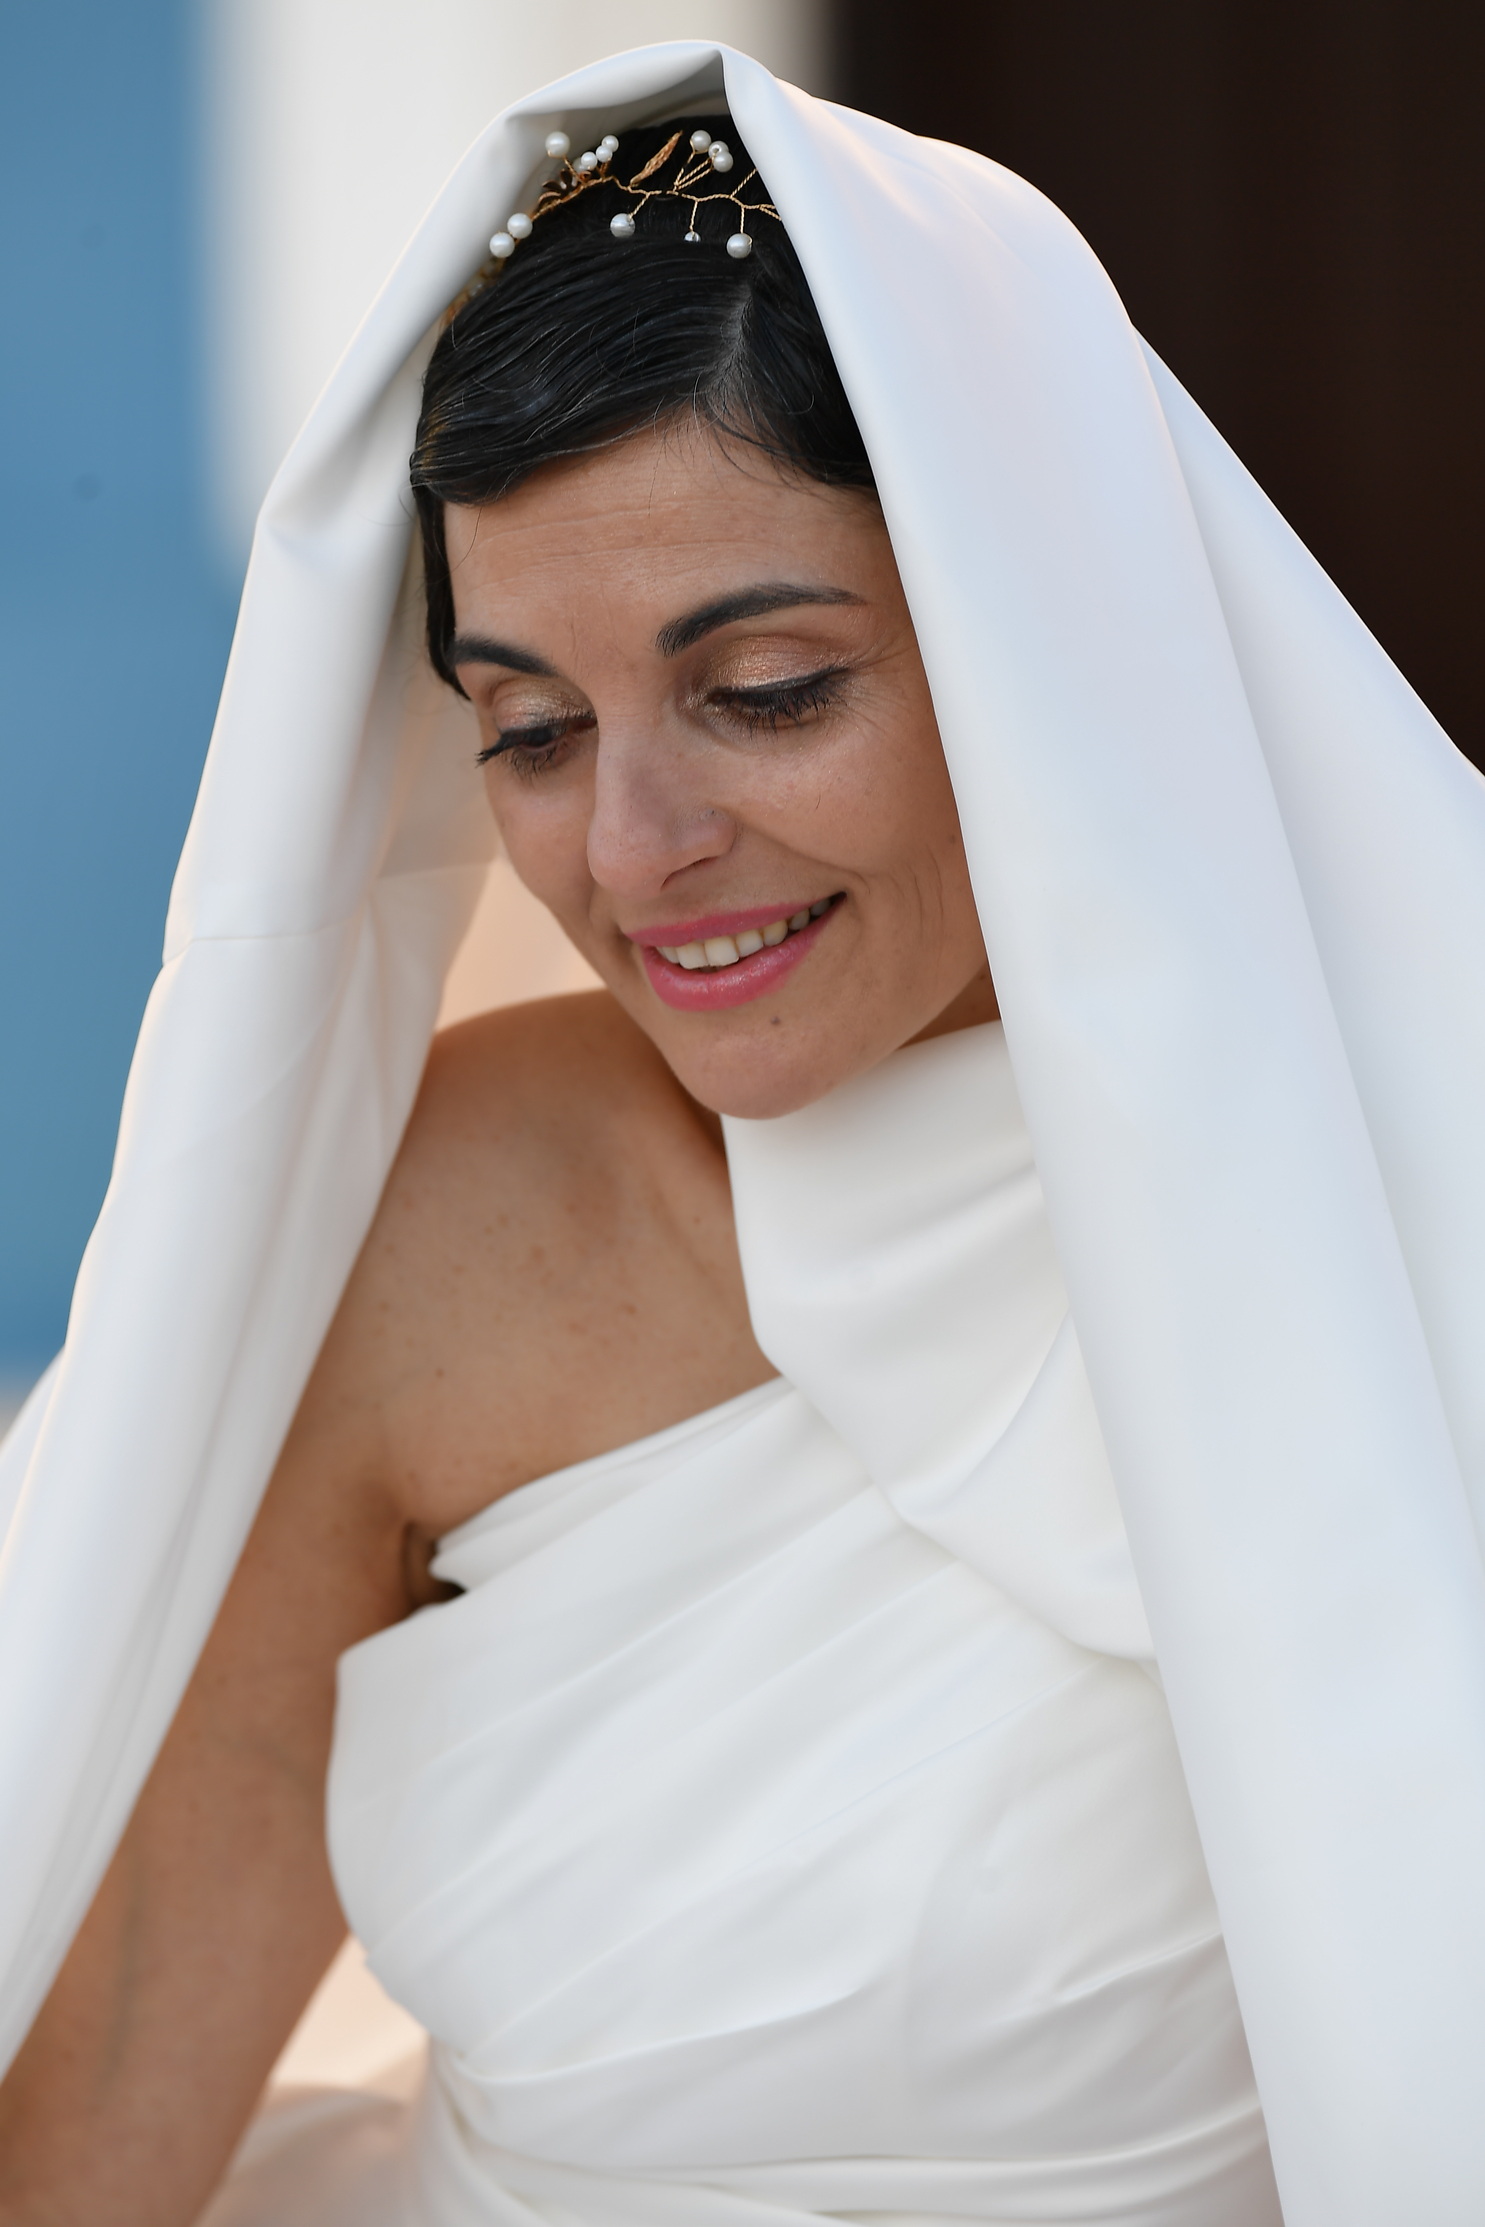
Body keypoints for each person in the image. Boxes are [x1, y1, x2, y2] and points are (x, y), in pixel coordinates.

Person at [4, 38, 1485, 2227]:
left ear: (1036, 643)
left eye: (764, 691)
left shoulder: (1422, 1176)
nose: (630, 848)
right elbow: (98, 2124)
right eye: (528, 727)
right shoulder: (452, 1217)